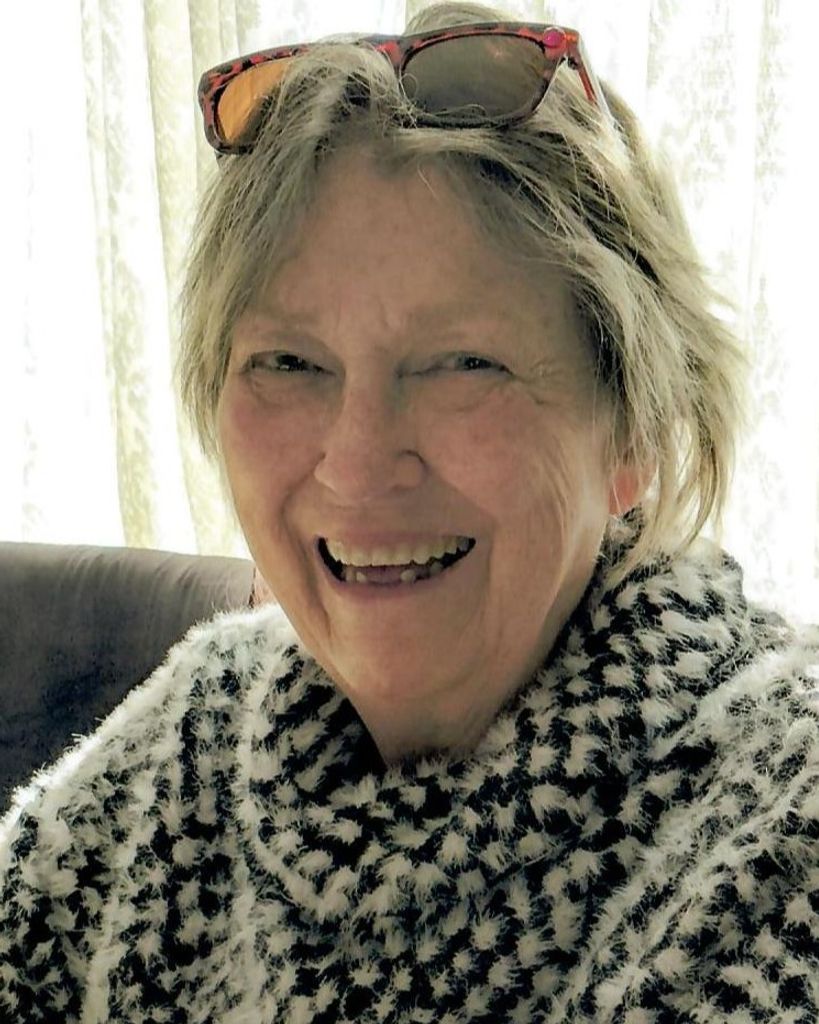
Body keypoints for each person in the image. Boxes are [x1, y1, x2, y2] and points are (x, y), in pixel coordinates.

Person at [1, 3, 818, 1021]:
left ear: (634, 434)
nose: (354, 466)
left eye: (463, 364)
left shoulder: (782, 819)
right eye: (288, 363)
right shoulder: (203, 726)